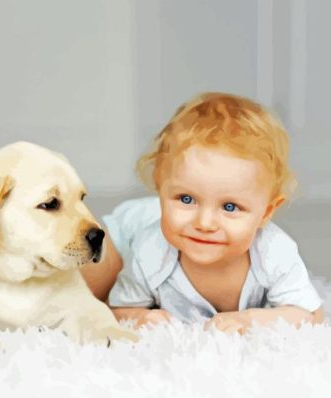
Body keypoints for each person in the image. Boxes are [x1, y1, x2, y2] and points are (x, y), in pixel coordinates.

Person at [81, 92, 324, 334]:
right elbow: (114, 308)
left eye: (230, 207)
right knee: (93, 282)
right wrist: (142, 317)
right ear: (160, 187)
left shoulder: (274, 252)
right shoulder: (149, 250)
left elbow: (310, 315)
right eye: (186, 199)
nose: (205, 223)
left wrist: (249, 320)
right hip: (129, 227)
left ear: (266, 213)